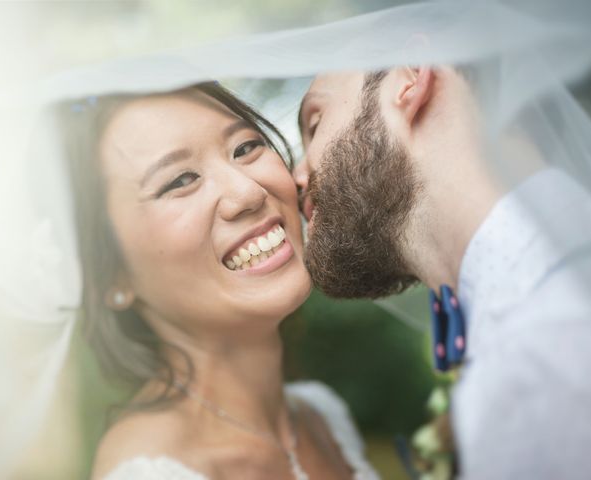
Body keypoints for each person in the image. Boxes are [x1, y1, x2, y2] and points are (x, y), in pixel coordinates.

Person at [295, 67, 591, 478]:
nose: (297, 176)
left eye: (315, 123)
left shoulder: (547, 344)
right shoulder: (547, 295)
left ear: (410, 77)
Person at [58, 82, 380, 480]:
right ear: (110, 276)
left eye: (245, 147)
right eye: (179, 181)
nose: (247, 192)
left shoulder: (322, 416)